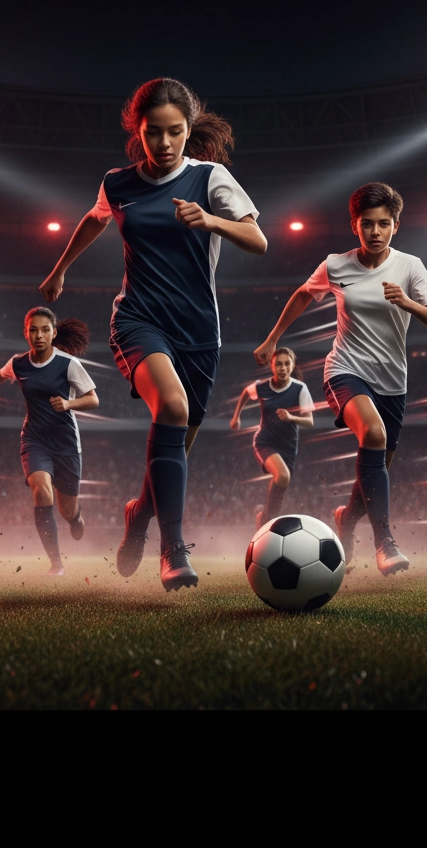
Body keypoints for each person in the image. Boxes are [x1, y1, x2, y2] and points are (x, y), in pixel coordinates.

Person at [40, 77, 266, 591]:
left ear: (189, 130)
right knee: (172, 408)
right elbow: (95, 219)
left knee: (175, 444)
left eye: (175, 132)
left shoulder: (211, 179)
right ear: (136, 131)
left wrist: (210, 221)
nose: (164, 144)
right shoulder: (117, 183)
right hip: (138, 320)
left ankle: (139, 516)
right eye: (152, 133)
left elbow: (258, 239)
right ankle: (173, 549)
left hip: (199, 333)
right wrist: (60, 270)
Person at [254, 182, 427, 575]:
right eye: (367, 224)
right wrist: (273, 338)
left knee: (378, 465)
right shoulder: (336, 265)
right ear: (354, 225)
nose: (375, 232)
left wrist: (407, 302)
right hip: (345, 369)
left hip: (392, 381)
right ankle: (385, 542)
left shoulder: (410, 267)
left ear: (396, 226)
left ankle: (347, 518)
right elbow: (304, 295)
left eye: (384, 224)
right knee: (373, 437)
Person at [0, 306, 98, 575]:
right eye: (33, 330)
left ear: (54, 333)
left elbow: (93, 398)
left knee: (66, 510)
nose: (39, 335)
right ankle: (56, 563)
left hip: (66, 444)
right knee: (42, 490)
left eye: (45, 330)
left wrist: (68, 403)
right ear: (26, 333)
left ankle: (75, 517)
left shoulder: (68, 364)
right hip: (34, 440)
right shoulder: (19, 363)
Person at [230, 346, 314, 529]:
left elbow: (309, 422)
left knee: (283, 479)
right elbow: (246, 392)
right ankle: (269, 521)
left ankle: (266, 518)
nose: (283, 368)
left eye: (286, 364)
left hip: (289, 447)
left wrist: (291, 417)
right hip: (264, 441)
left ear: (292, 366)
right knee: (282, 476)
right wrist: (237, 416)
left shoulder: (300, 389)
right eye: (278, 364)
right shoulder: (262, 387)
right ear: (272, 366)